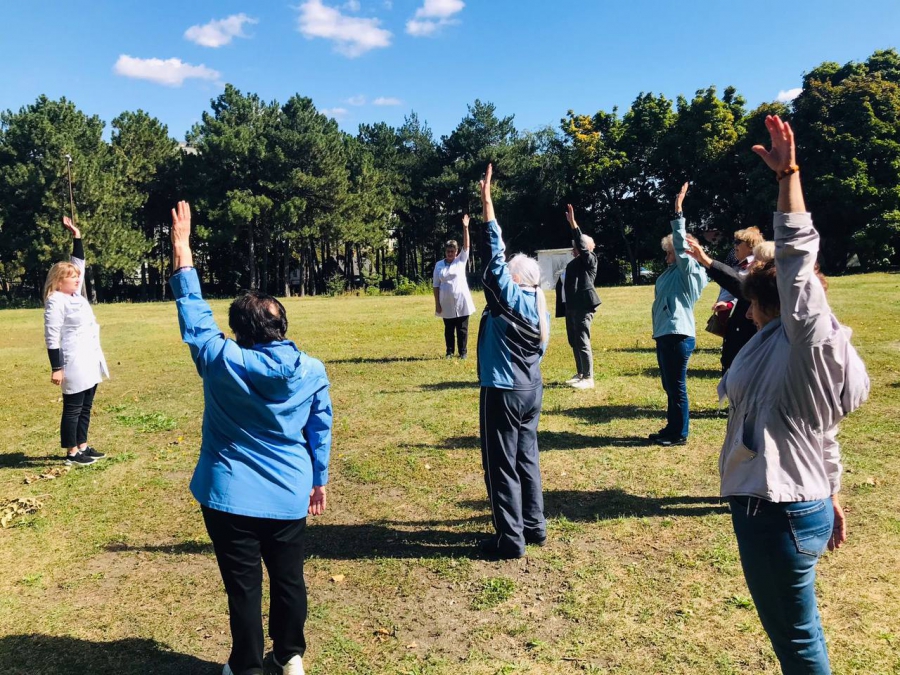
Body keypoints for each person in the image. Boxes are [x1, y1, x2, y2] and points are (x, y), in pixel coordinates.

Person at [719, 115, 869, 674]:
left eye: (752, 305)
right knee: (798, 632)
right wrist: (830, 493)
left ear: (774, 305)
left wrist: (789, 179)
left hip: (776, 513)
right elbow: (821, 433)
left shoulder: (807, 341)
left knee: (798, 641)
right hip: (791, 503)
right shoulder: (783, 346)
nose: (747, 314)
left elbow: (799, 267)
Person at [168, 201, 331, 675]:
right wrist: (318, 479)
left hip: (228, 495)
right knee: (288, 579)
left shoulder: (221, 360)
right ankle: (290, 654)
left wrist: (183, 248)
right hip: (287, 492)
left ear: (238, 332)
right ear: (282, 326)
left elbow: (193, 313)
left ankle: (247, 665)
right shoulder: (314, 370)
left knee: (242, 586)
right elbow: (319, 430)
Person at [476, 163, 550, 560]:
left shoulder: (512, 299)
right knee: (526, 457)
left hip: (502, 391)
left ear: (516, 279)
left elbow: (494, 254)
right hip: (530, 389)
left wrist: (488, 204)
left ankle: (510, 539)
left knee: (500, 464)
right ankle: (534, 526)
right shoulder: (539, 304)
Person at [43, 216, 109, 466]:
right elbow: (51, 336)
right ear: (59, 280)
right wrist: (56, 367)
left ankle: (83, 445)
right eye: (72, 278)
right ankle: (72, 452)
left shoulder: (74, 296)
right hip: (72, 360)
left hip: (89, 357)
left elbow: (78, 262)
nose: (76, 279)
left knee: (86, 404)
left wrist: (77, 235)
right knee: (73, 406)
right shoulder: (56, 300)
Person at [648, 183, 708, 446]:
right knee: (670, 387)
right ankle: (672, 427)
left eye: (670, 252)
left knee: (677, 387)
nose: (667, 257)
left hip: (678, 334)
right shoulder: (670, 273)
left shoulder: (690, 270)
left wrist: (678, 211)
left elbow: (682, 246)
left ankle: (680, 434)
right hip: (665, 333)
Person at [688, 227, 766, 372]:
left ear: (750, 246)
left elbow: (741, 287)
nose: (734, 245)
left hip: (749, 341)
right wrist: (729, 304)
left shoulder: (757, 267)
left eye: (739, 242)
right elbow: (741, 294)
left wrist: (707, 261)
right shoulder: (740, 265)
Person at [556, 204, 601, 389]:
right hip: (571, 306)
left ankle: (589, 377)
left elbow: (582, 246)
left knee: (582, 339)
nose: (574, 248)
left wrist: (573, 224)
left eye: (578, 245)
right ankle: (581, 373)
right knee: (573, 340)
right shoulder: (573, 264)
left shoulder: (589, 259)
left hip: (583, 305)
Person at [433, 215, 476, 359]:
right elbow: (435, 285)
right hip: (446, 302)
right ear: (445, 252)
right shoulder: (439, 265)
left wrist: (465, 228)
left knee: (462, 329)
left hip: (462, 301)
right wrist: (437, 304)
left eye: (452, 251)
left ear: (456, 252)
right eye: (448, 251)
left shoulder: (461, 261)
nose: (450, 253)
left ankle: (463, 352)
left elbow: (467, 245)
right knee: (449, 329)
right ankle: (449, 351)